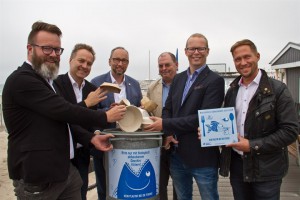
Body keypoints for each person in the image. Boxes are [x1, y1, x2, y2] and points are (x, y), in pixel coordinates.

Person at [2, 21, 126, 200]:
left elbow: (63, 121)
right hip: (38, 177)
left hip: (65, 171)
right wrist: (105, 116)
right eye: (46, 49)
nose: (53, 54)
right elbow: (65, 111)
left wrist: (90, 138)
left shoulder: (48, 82)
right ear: (30, 49)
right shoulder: (22, 80)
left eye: (57, 50)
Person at [145, 33, 225, 200]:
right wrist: (167, 133)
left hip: (203, 157)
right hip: (177, 155)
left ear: (207, 51)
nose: (196, 52)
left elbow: (203, 118)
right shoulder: (178, 79)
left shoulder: (215, 80)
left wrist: (166, 124)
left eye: (200, 48)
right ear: (186, 51)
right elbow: (168, 108)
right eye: (191, 48)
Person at [219, 39, 299, 200]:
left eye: (247, 57)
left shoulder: (278, 90)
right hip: (237, 166)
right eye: (237, 59)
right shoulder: (232, 91)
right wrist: (210, 132)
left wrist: (252, 145)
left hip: (267, 169)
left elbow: (290, 131)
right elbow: (227, 124)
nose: (243, 62)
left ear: (257, 56)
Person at [53, 43, 107, 200]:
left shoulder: (91, 88)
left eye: (89, 64)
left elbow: (93, 118)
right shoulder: (55, 84)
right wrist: (87, 103)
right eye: (81, 61)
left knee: (80, 194)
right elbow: (61, 117)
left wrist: (96, 131)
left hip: (82, 153)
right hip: (60, 154)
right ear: (70, 60)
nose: (85, 66)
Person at [90, 46, 143, 199]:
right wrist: (109, 112)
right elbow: (89, 113)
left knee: (126, 185)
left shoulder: (135, 84)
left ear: (128, 63)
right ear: (109, 61)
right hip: (105, 142)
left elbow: (138, 110)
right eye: (116, 59)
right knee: (104, 186)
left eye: (124, 60)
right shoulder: (97, 82)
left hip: (128, 144)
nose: (120, 63)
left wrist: (140, 109)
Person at [146, 52, 178, 200]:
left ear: (176, 65)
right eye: (160, 66)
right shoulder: (152, 87)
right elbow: (149, 113)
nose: (164, 68)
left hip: (180, 141)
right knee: (160, 184)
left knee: (181, 184)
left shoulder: (185, 83)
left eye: (167, 65)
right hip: (159, 142)